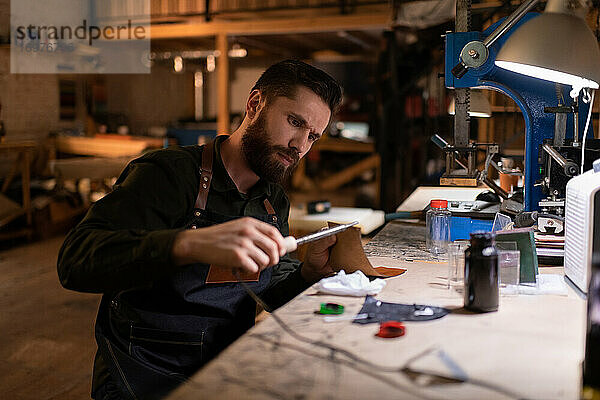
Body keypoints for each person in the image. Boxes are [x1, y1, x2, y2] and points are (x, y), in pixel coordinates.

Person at [57, 59, 343, 400]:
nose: (300, 145)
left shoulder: (272, 200)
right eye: (294, 122)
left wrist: (307, 273)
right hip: (142, 373)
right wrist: (187, 244)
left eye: (312, 135)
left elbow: (267, 287)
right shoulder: (168, 174)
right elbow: (74, 261)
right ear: (255, 105)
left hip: (224, 369)